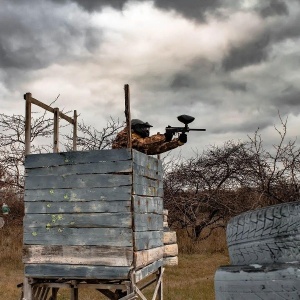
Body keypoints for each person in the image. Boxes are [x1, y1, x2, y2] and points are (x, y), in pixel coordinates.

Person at [112, 119, 187, 155]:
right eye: (144, 128)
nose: (146, 130)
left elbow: (155, 149)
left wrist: (177, 142)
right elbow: (143, 143)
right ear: (136, 127)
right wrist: (164, 137)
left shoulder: (135, 140)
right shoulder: (125, 136)